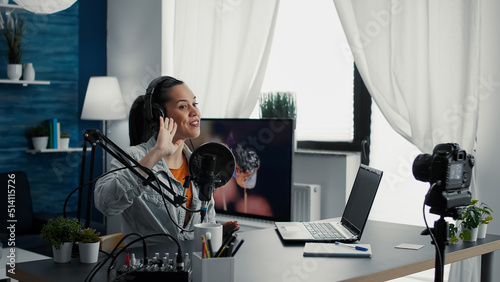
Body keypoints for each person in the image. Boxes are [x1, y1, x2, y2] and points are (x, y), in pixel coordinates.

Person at [94, 76, 238, 244]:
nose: (195, 112)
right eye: (183, 106)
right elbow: (106, 204)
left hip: (191, 268)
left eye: (195, 104)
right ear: (159, 115)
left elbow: (204, 228)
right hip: (146, 268)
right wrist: (157, 152)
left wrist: (216, 233)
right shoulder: (133, 157)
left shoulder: (200, 165)